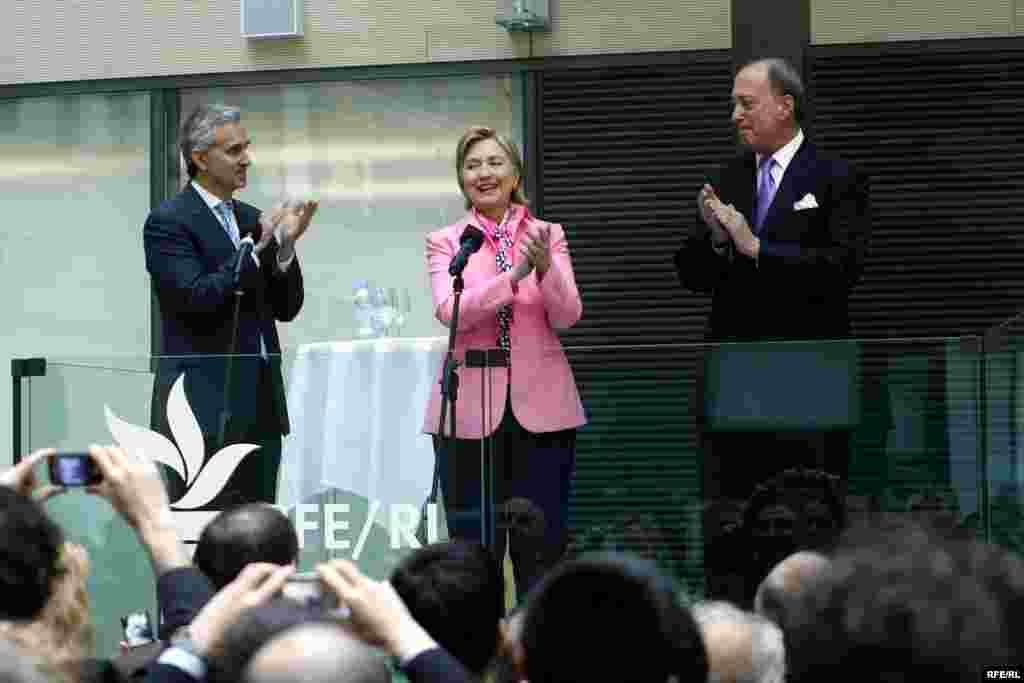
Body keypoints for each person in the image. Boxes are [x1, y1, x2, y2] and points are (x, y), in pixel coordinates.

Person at [674, 58, 871, 512]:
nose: (735, 115)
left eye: (746, 103)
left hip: (810, 370)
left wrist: (757, 247)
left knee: (812, 507)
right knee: (734, 509)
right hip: (737, 375)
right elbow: (690, 275)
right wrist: (718, 242)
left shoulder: (837, 176)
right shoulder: (727, 177)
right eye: (733, 105)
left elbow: (845, 267)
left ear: (785, 106)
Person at [422, 126, 586, 594]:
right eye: (472, 165)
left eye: (494, 163)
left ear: (515, 173)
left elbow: (568, 314)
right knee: (473, 552)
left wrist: (544, 270)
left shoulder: (547, 235)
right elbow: (450, 310)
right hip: (470, 414)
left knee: (543, 544)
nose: (483, 173)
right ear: (461, 179)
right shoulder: (447, 241)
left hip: (544, 412)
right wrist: (513, 278)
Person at [144, 104, 318, 506]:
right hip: (199, 409)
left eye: (247, 148)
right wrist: (254, 250)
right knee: (204, 538)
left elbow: (286, 307)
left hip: (260, 405)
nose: (247, 159)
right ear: (200, 158)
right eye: (234, 151)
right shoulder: (169, 222)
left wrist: (285, 247)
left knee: (259, 538)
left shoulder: (251, 217)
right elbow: (195, 297)